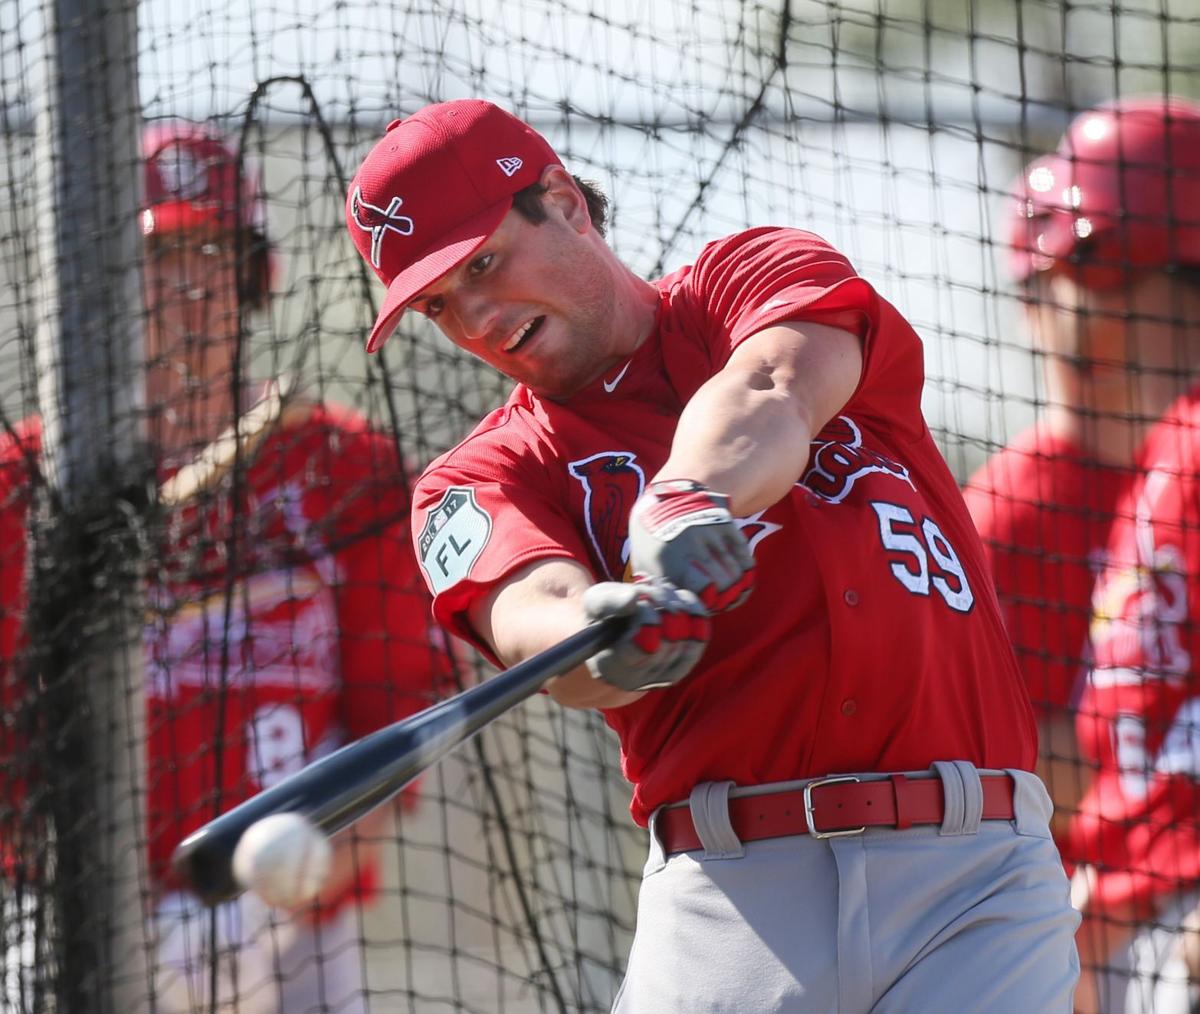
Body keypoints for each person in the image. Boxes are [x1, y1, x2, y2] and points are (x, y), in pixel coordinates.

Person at [343, 98, 1080, 1012]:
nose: (478, 319)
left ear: (566, 203)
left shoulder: (750, 275)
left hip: (973, 879)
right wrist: (602, 630)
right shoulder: (478, 476)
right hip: (733, 898)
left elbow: (772, 386)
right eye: (440, 305)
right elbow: (535, 618)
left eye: (484, 264)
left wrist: (685, 498)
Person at [0, 122, 447, 1013]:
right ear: (106, 292)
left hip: (291, 916)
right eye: (160, 261)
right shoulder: (25, 484)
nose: (189, 291)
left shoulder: (343, 465)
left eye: (213, 255)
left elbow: (399, 711)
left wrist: (322, 867)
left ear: (254, 279)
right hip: (75, 919)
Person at [985, 98, 1200, 1014]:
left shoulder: (1178, 453)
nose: (1067, 321)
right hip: (1088, 933)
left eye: (1109, 284)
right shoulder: (1005, 512)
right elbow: (1023, 780)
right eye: (1043, 289)